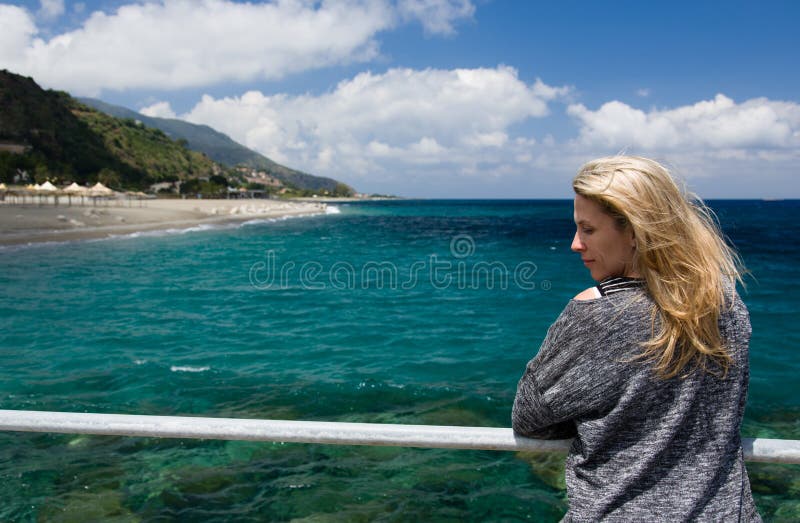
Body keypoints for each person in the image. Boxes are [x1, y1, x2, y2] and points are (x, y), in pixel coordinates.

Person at [512, 156, 760, 521]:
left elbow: (529, 417)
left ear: (635, 231)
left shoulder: (598, 316)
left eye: (588, 230)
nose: (575, 244)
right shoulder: (728, 304)